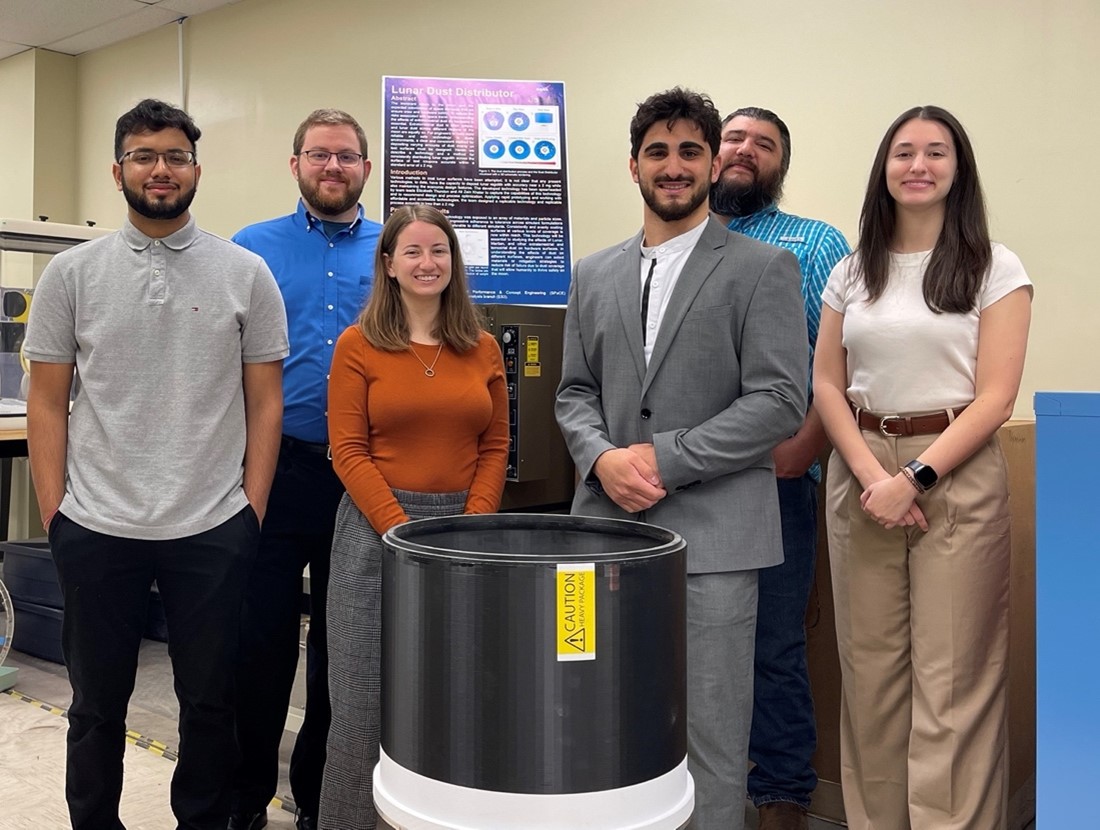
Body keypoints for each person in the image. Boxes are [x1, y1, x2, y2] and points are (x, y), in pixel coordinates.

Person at [24, 99, 287, 830]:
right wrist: (57, 514)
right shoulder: (71, 275)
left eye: (174, 156)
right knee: (96, 706)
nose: (160, 169)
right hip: (96, 523)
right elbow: (46, 401)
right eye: (144, 156)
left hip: (211, 524)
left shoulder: (246, 273)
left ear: (196, 170)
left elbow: (265, 402)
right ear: (118, 171)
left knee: (209, 703)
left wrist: (249, 512)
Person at [555, 87, 808, 830]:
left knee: (712, 738)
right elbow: (573, 392)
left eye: (689, 151)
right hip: (598, 537)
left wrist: (663, 461)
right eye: (658, 152)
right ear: (633, 165)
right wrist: (601, 460)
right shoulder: (592, 273)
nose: (673, 166)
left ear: (711, 164)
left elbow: (779, 401)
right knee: (596, 720)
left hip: (717, 542)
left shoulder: (763, 269)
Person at [813, 106, 1032, 830]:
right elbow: (826, 385)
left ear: (958, 169)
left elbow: (997, 395)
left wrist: (916, 479)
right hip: (861, 472)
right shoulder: (852, 270)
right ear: (884, 168)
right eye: (903, 152)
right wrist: (872, 475)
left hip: (955, 470)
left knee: (952, 681)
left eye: (936, 152)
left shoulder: (995, 267)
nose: (918, 164)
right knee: (870, 678)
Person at [319, 204, 509, 830]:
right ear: (389, 265)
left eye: (439, 252)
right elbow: (346, 449)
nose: (427, 263)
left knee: (454, 702)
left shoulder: (481, 347)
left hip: (462, 538)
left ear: (454, 264)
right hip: (376, 534)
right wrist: (401, 530)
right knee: (362, 704)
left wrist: (472, 526)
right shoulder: (358, 345)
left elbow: (495, 447)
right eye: (413, 252)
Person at [228, 108, 382, 830]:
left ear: (365, 169)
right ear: (296, 166)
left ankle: (323, 803)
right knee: (257, 644)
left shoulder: (395, 251)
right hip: (270, 469)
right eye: (319, 155)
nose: (333, 167)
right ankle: (245, 800)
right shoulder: (251, 250)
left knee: (341, 653)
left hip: (361, 478)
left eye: (346, 156)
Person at [710, 107, 850, 830]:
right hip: (684, 478)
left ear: (779, 167)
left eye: (763, 145)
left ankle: (782, 801)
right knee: (684, 637)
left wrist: (807, 449)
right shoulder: (677, 236)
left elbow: (847, 353)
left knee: (772, 646)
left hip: (776, 482)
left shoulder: (815, 242)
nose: (745, 151)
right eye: (734, 137)